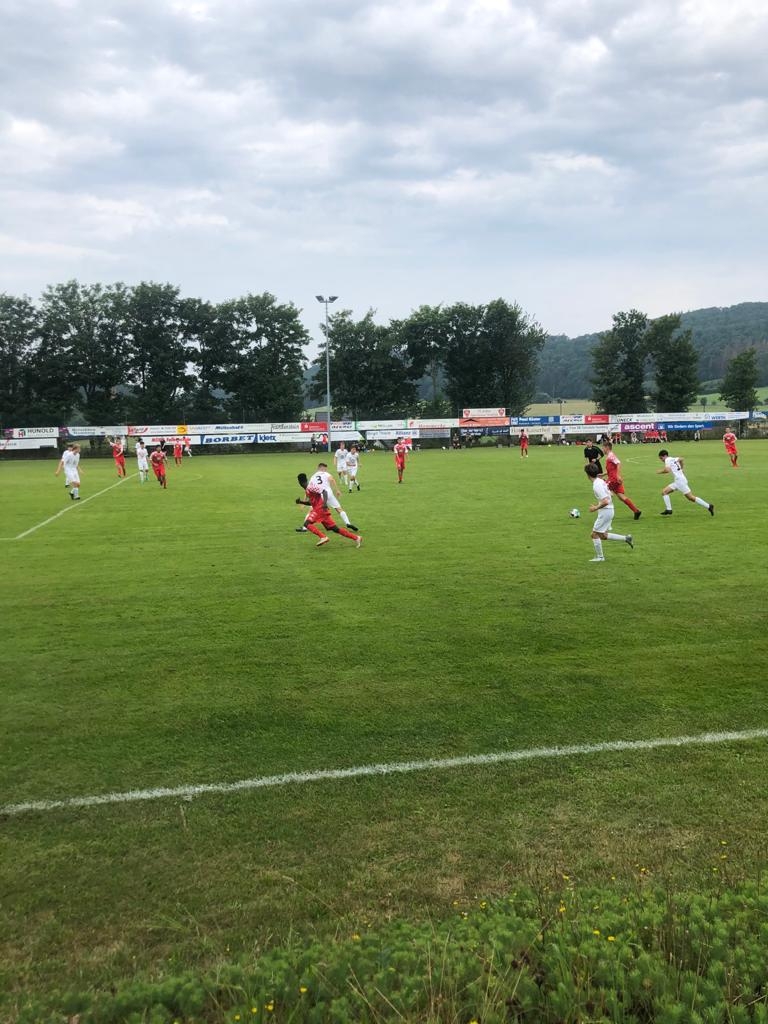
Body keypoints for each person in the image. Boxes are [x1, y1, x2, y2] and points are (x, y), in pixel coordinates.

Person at [295, 473, 362, 548]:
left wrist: (324, 504)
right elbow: (311, 502)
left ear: (299, 482)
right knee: (335, 529)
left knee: (307, 523)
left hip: (319, 509)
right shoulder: (307, 490)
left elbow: (324, 492)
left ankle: (323, 537)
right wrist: (301, 502)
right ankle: (357, 538)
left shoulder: (311, 487)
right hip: (321, 510)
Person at [584, 462, 634, 562]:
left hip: (605, 512)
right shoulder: (600, 480)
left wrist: (595, 508)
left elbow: (606, 501)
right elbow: (611, 494)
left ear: (588, 475)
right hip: (609, 510)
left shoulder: (596, 485)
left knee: (594, 534)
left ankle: (600, 557)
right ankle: (626, 538)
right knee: (603, 535)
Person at [657, 450, 713, 516]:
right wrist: (682, 468)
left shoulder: (667, 460)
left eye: (661, 458)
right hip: (679, 481)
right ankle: (669, 510)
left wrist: (659, 471)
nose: (662, 460)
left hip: (680, 482)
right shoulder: (673, 458)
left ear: (665, 456)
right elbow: (681, 459)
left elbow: (667, 470)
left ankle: (709, 506)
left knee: (691, 497)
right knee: (664, 492)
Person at [307, 463, 357, 530]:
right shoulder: (326, 474)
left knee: (312, 510)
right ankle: (348, 523)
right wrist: (337, 490)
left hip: (320, 495)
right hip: (329, 493)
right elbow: (332, 480)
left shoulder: (313, 476)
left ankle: (304, 527)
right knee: (339, 509)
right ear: (321, 468)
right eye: (325, 469)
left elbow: (309, 488)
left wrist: (307, 498)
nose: (325, 470)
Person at [602, 440, 641, 520]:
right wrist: (603, 474)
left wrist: (618, 475)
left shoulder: (611, 456)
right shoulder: (609, 456)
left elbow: (618, 463)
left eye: (603, 448)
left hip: (613, 479)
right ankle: (636, 511)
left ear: (607, 447)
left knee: (604, 490)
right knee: (621, 497)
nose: (602, 450)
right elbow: (611, 469)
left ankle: (604, 513)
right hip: (614, 479)